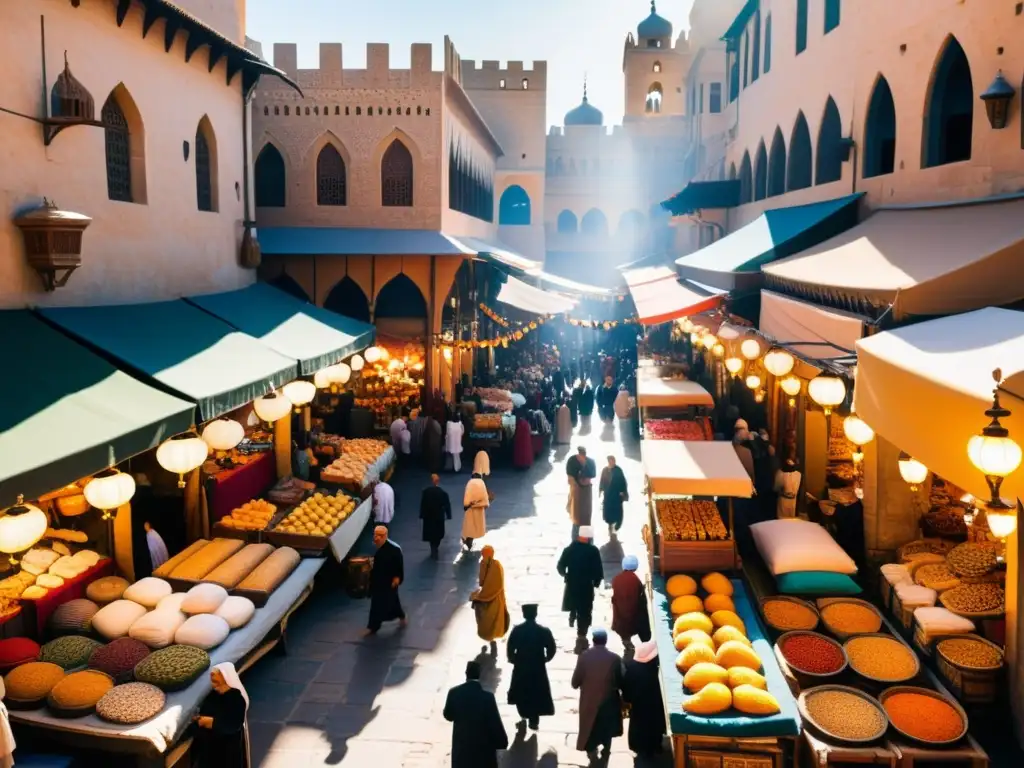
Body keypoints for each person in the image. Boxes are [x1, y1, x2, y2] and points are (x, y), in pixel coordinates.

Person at [443, 660, 509, 768]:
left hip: (462, 748)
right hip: (483, 751)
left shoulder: (454, 693)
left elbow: (448, 716)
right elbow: (494, 723)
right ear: (479, 675)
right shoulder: (487, 698)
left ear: (466, 674)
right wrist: (502, 742)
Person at [571, 628, 624, 762]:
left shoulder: (583, 657)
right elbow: (620, 681)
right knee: (607, 727)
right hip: (609, 700)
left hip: (589, 700)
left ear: (593, 641)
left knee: (590, 726)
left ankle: (591, 750)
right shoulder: (615, 658)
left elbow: (575, 682)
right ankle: (606, 748)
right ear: (605, 641)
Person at [506, 603, 556, 731]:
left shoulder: (517, 630)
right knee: (536, 691)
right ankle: (534, 719)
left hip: (521, 666)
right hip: (537, 666)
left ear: (524, 614)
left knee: (520, 691)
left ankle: (523, 715)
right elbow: (551, 648)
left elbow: (510, 648)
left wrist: (513, 660)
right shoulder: (543, 631)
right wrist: (546, 659)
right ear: (536, 614)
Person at [192, 662, 250, 767]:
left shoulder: (236, 699)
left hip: (227, 748)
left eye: (216, 681)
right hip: (210, 746)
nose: (214, 685)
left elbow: (233, 724)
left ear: (225, 677)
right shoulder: (213, 695)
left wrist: (209, 722)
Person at [557, 526, 604, 644]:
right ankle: (581, 634)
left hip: (572, 584)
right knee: (585, 610)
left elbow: (560, 566)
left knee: (574, 603)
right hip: (586, 586)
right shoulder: (593, 551)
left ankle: (573, 614)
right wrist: (597, 582)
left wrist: (566, 575)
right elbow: (598, 569)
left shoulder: (569, 549)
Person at [621, 640, 667, 759]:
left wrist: (628, 700)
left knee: (639, 726)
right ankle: (654, 747)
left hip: (638, 706)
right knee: (654, 727)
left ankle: (641, 748)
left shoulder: (632, 667)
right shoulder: (655, 670)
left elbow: (626, 687)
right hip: (654, 705)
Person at [364, 525, 407, 636]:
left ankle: (400, 616)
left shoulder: (394, 549)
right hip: (379, 581)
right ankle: (373, 626)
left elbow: (399, 565)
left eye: (379, 535)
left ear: (385, 536)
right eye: (375, 535)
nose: (376, 537)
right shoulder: (379, 548)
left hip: (389, 582)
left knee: (392, 601)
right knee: (377, 604)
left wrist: (397, 578)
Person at [471, 545, 510, 654]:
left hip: (485, 597)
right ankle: (492, 637)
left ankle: (487, 636)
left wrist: (482, 595)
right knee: (495, 618)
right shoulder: (498, 565)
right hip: (497, 598)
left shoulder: (483, 564)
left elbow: (481, 582)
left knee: (482, 616)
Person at [611, 555, 650, 653]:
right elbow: (639, 597)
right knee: (636, 625)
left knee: (623, 627)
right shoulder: (635, 580)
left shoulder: (617, 578)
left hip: (620, 611)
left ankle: (626, 640)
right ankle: (643, 643)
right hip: (633, 612)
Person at [566, 446, 597, 540]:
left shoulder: (590, 462)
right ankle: (577, 540)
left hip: (586, 491)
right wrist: (575, 484)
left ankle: (586, 540)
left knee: (586, 517)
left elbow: (592, 475)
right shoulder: (572, 461)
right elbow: (570, 478)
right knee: (577, 517)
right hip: (576, 490)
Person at [420, 474, 451, 559]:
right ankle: (436, 546)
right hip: (439, 516)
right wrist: (448, 515)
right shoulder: (443, 493)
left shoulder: (426, 492)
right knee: (439, 533)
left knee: (430, 533)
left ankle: (433, 547)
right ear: (438, 481)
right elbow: (447, 505)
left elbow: (423, 504)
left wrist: (422, 515)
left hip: (428, 517)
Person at [599, 455, 629, 535]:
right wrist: (601, 490)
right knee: (608, 511)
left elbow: (623, 481)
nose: (612, 462)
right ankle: (610, 525)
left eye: (613, 460)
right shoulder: (605, 470)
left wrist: (623, 491)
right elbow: (602, 480)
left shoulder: (618, 470)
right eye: (611, 460)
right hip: (608, 495)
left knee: (618, 511)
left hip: (616, 495)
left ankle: (617, 525)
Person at [462, 472, 490, 551]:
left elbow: (467, 496)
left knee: (469, 526)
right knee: (476, 527)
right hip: (479, 509)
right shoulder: (482, 483)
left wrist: (466, 505)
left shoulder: (470, 483)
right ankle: (469, 542)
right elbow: (485, 497)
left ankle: (467, 541)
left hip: (470, 508)